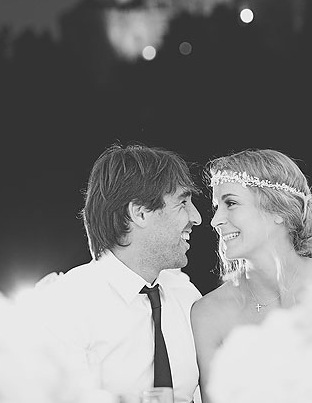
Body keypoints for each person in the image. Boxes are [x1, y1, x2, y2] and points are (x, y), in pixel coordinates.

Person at [190, 148, 312, 403]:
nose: (215, 220)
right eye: (217, 207)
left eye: (231, 203)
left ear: (278, 210)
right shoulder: (208, 314)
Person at [32, 142, 202, 403]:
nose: (196, 217)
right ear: (140, 213)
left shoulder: (186, 295)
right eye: (183, 202)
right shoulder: (63, 305)